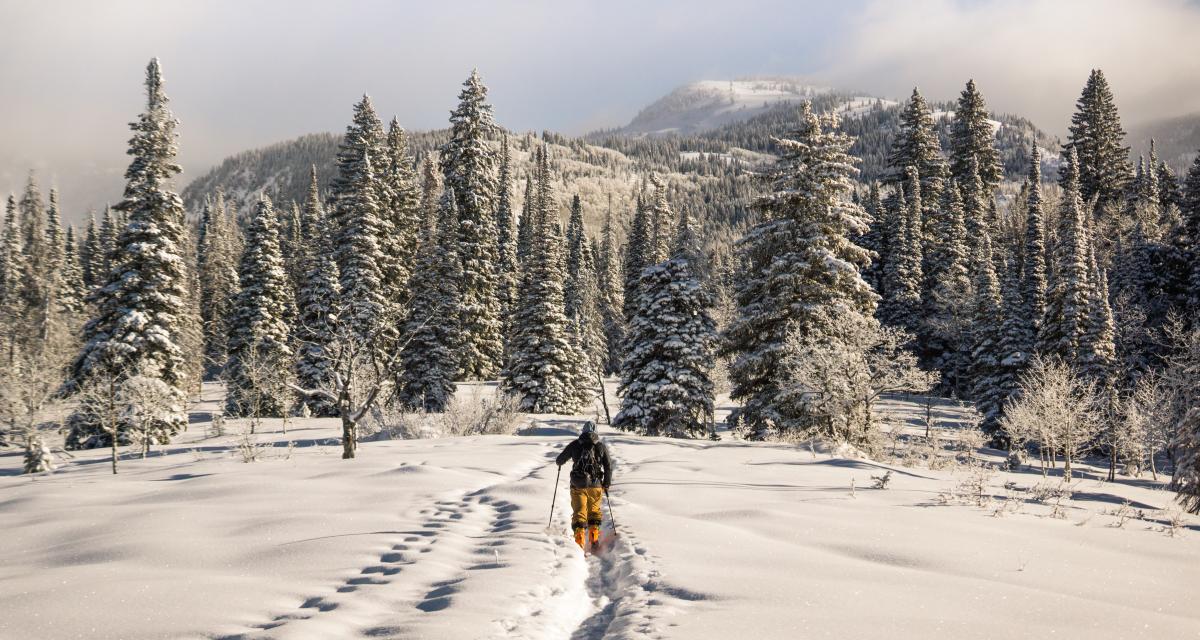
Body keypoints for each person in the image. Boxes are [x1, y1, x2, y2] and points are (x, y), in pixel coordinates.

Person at [555, 421, 613, 549]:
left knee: (579, 513)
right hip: (596, 485)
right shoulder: (600, 446)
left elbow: (559, 460)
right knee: (594, 512)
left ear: (583, 431)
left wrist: (561, 463)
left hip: (577, 484)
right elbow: (608, 466)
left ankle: (579, 542)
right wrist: (606, 484)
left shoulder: (575, 444)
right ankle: (594, 538)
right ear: (596, 431)